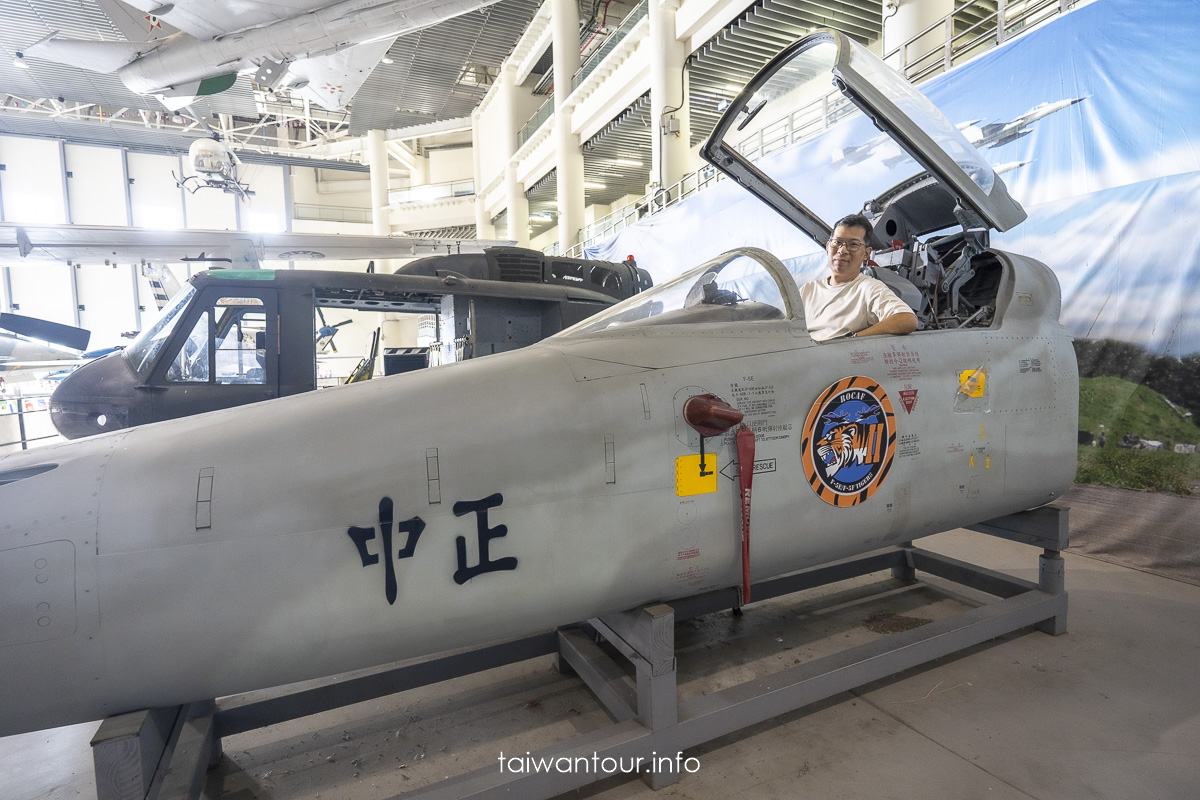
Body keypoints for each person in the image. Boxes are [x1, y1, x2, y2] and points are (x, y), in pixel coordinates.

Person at [799, 214, 918, 342]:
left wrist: (854, 338)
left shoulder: (869, 288)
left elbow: (907, 319)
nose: (842, 250)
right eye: (837, 242)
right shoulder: (808, 290)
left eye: (853, 244)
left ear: (866, 253)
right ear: (828, 247)